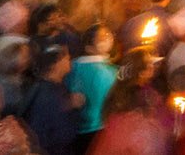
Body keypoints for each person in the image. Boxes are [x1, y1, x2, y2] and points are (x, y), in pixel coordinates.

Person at [21, 44, 81, 155]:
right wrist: (74, 108)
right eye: (67, 58)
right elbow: (64, 135)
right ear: (56, 64)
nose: (70, 61)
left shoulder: (40, 86)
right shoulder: (51, 95)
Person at [67, 24, 117, 152]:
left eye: (108, 35)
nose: (107, 39)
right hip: (99, 128)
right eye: (101, 38)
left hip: (75, 127)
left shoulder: (71, 65)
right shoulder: (110, 71)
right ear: (88, 47)